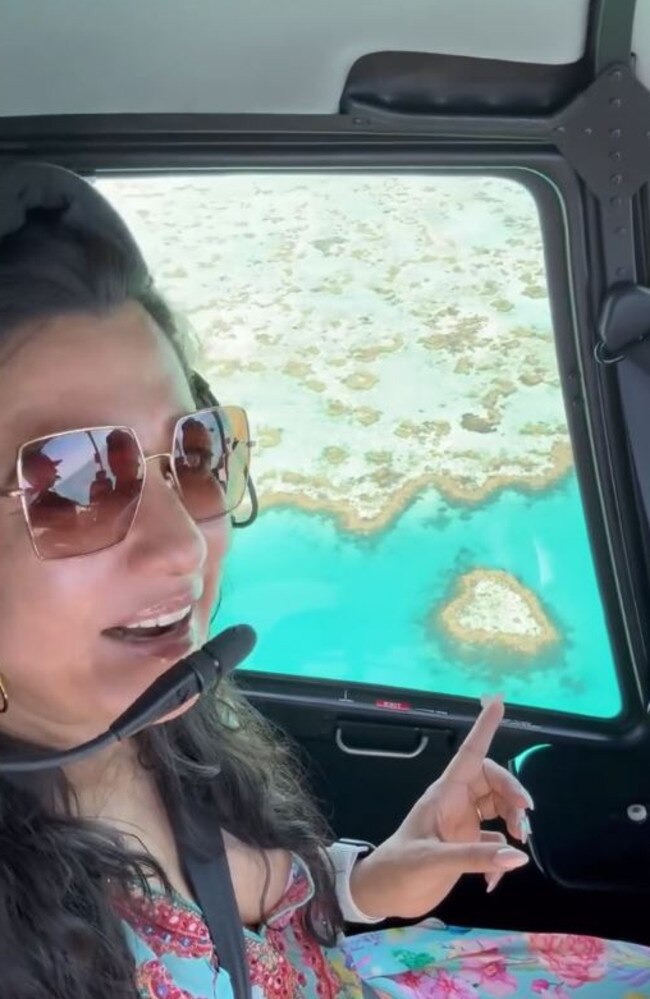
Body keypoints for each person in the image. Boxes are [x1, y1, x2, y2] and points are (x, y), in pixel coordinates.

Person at [0, 165, 648, 999]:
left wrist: (375, 876)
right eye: (74, 481)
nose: (184, 550)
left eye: (195, 454)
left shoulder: (163, 727)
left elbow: (250, 900)